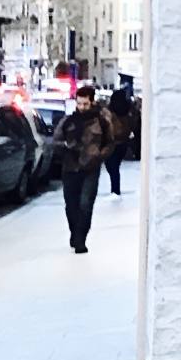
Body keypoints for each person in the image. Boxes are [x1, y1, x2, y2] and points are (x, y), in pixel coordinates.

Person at [56, 84, 113, 253]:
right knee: (71, 205)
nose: (81, 107)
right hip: (70, 167)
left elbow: (110, 143)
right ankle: (75, 233)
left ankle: (81, 239)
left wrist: (99, 156)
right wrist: (65, 148)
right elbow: (56, 140)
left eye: (85, 104)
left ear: (92, 102)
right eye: (79, 103)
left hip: (90, 168)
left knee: (86, 204)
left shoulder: (101, 121)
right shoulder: (68, 121)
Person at [104, 87, 134, 195]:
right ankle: (115, 189)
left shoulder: (109, 110)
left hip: (111, 143)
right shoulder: (128, 109)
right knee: (115, 167)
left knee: (112, 167)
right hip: (123, 142)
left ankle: (115, 190)